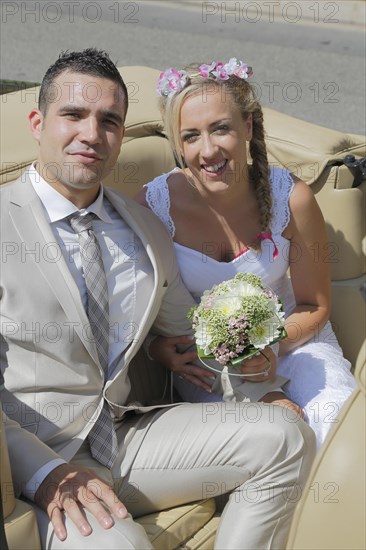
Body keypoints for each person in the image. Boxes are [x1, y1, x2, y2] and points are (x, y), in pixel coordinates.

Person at [0, 49, 316, 549]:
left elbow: (189, 341)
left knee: (285, 436)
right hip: (34, 458)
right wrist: (44, 474)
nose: (91, 134)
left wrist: (263, 393)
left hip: (128, 437)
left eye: (109, 121)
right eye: (73, 115)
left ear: (121, 136)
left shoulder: (145, 229)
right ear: (38, 122)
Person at [135, 57, 356, 448]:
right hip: (207, 363)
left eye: (221, 129)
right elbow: (137, 311)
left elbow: (313, 305)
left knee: (335, 429)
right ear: (177, 143)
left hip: (295, 341)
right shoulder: (154, 207)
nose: (208, 151)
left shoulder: (293, 198)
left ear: (248, 126)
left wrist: (268, 346)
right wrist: (157, 350)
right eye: (190, 136)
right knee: (273, 440)